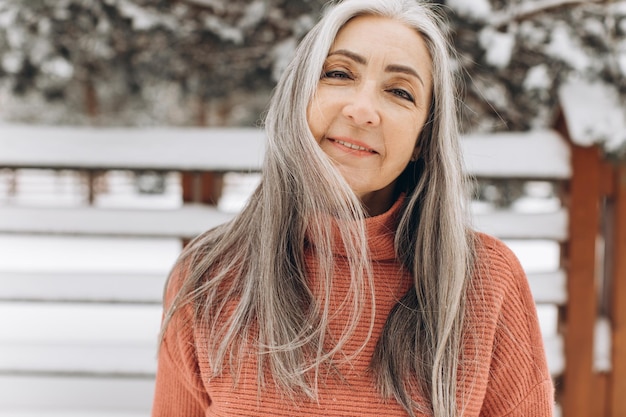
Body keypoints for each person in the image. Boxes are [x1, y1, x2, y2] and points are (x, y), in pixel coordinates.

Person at [151, 0, 554, 416]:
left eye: (400, 92)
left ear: (422, 139)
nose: (362, 111)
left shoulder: (486, 280)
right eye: (339, 74)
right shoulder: (209, 274)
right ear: (297, 100)